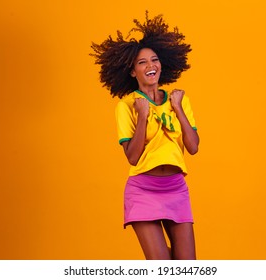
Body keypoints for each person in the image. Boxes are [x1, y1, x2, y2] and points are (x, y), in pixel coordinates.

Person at [90, 12, 199, 260]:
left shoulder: (179, 99)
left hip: (176, 189)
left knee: (188, 268)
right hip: (144, 190)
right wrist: (142, 117)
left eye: (154, 60)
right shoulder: (126, 106)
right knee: (161, 267)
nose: (151, 66)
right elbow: (132, 157)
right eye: (142, 63)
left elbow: (193, 147)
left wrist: (179, 108)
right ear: (132, 72)